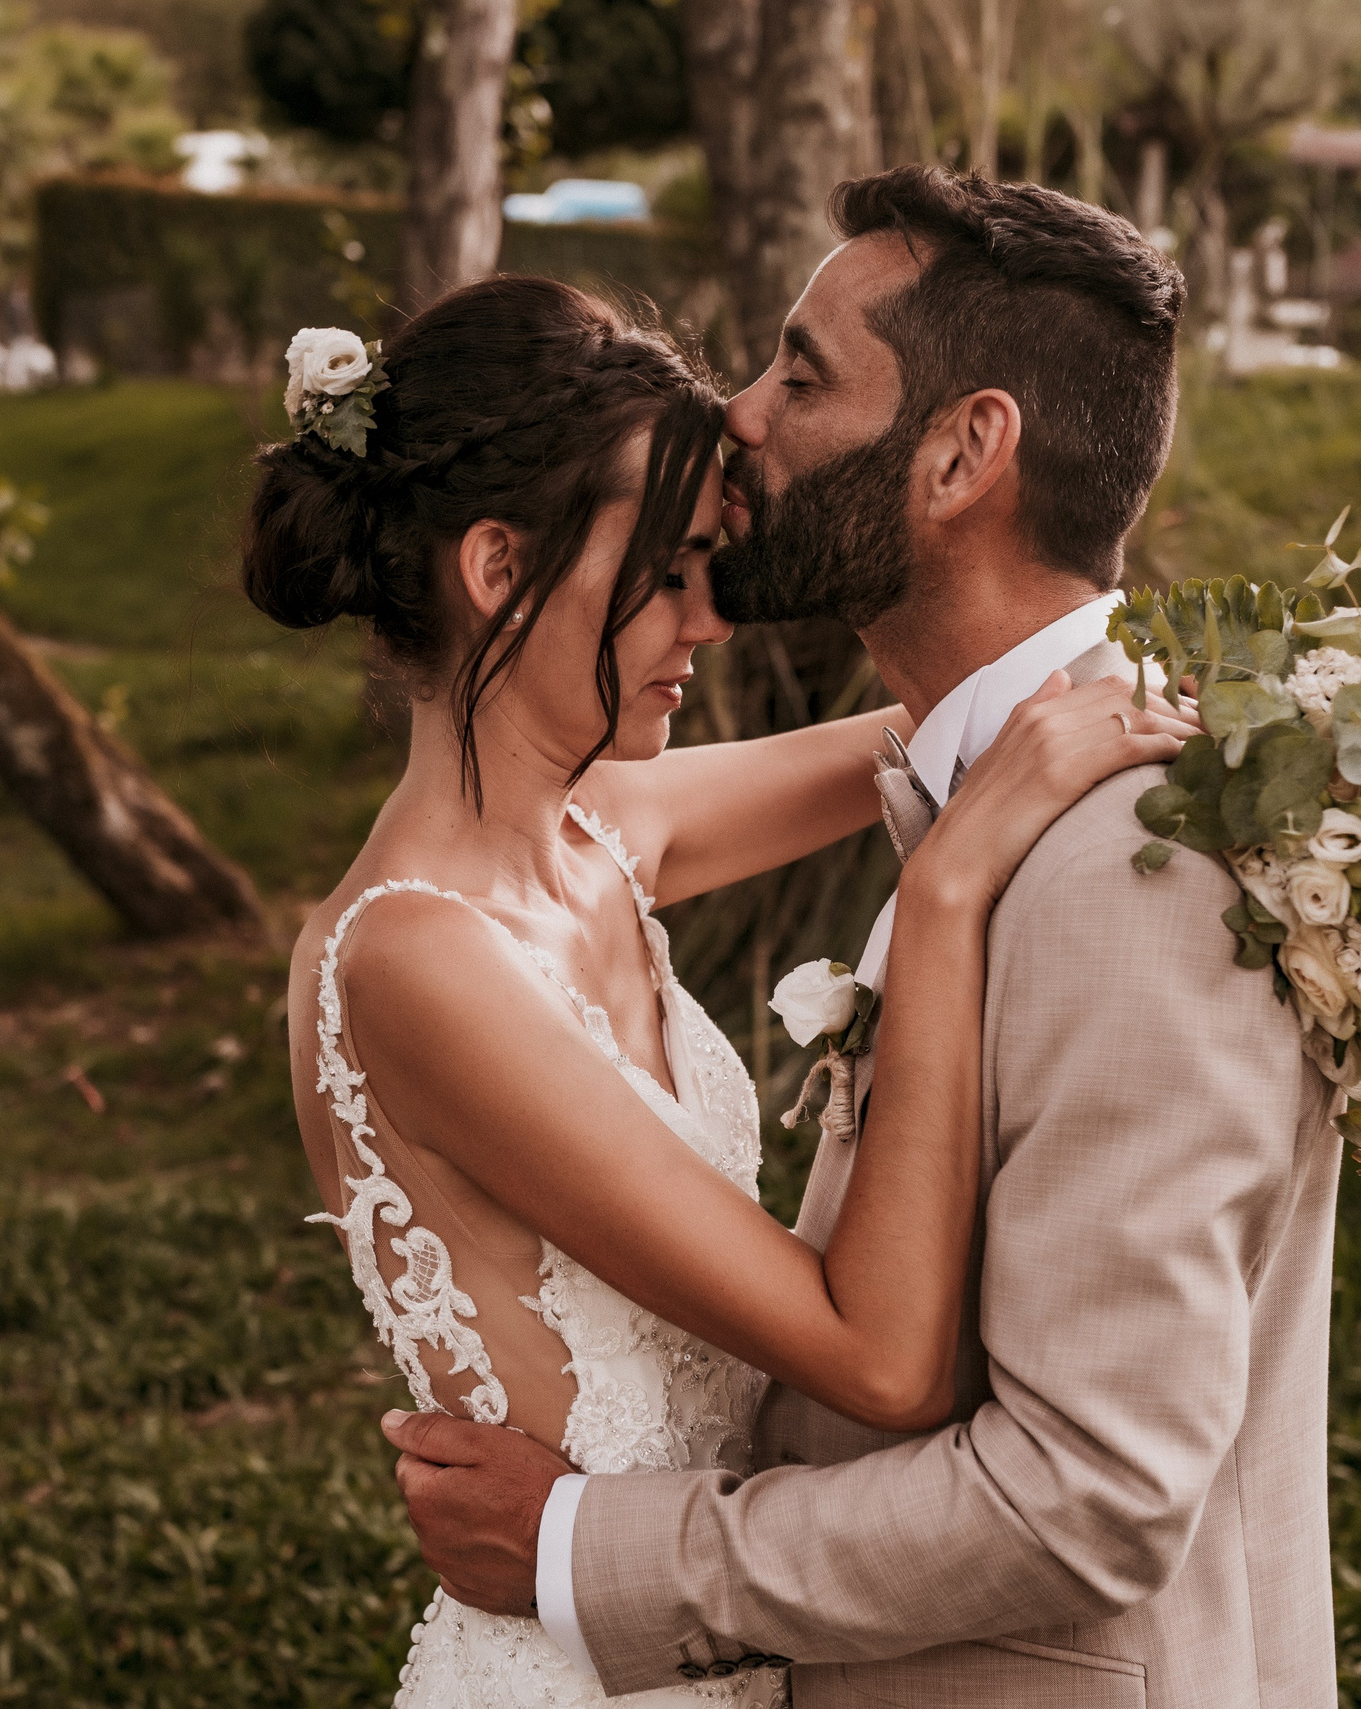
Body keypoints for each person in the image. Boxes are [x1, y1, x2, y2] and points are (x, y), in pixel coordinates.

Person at [384, 168, 1346, 1708]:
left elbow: (1085, 1493)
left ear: (966, 451)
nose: (742, 416)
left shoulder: (1138, 873)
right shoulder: (989, 781)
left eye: (802, 373)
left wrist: (580, 1548)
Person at [246, 272, 1196, 1707]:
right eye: (673, 570)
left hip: (710, 1642)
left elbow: (948, 722)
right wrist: (939, 897)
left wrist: (1244, 692)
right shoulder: (411, 960)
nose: (714, 618)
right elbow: (879, 1359)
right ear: (498, 570)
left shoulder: (602, 833)